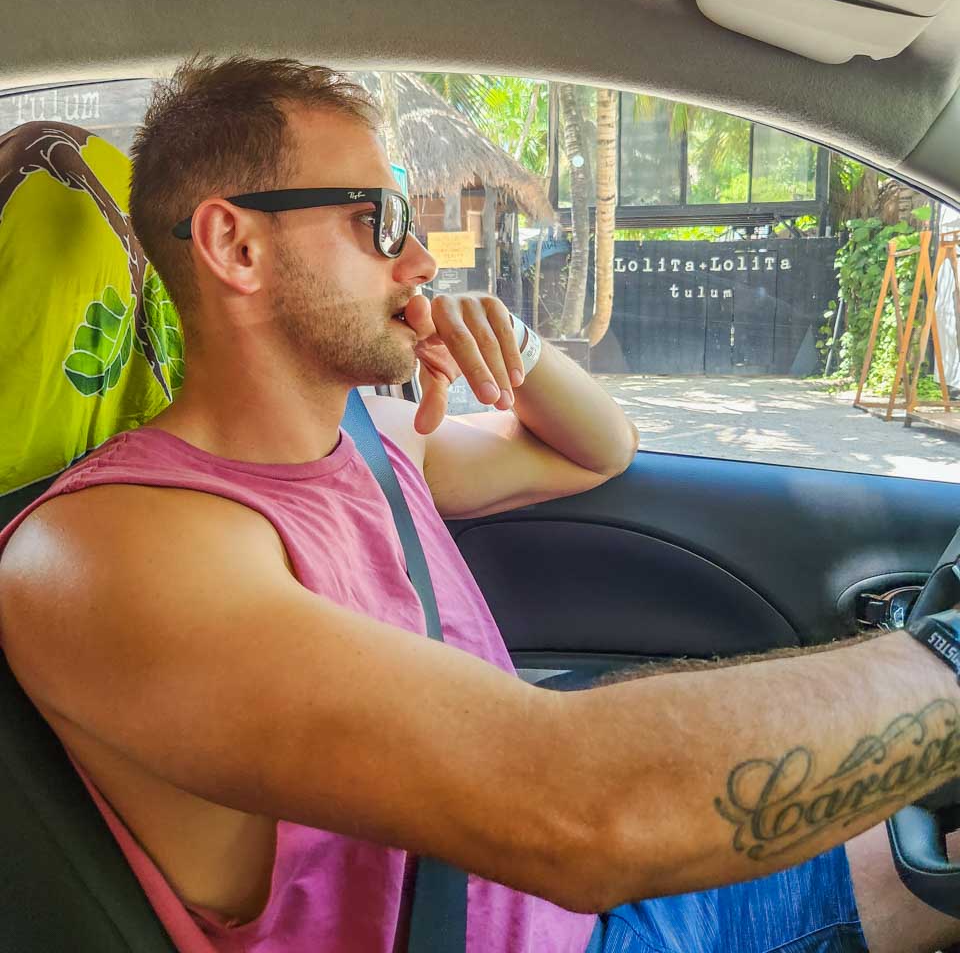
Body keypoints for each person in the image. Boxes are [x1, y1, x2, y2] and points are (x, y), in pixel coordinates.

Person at [0, 56, 958, 953]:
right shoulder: (113, 548)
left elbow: (597, 451)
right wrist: (945, 662)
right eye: (378, 220)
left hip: (598, 908)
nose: (419, 261)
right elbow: (578, 808)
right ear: (236, 244)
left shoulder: (375, 446)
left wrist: (517, 345)